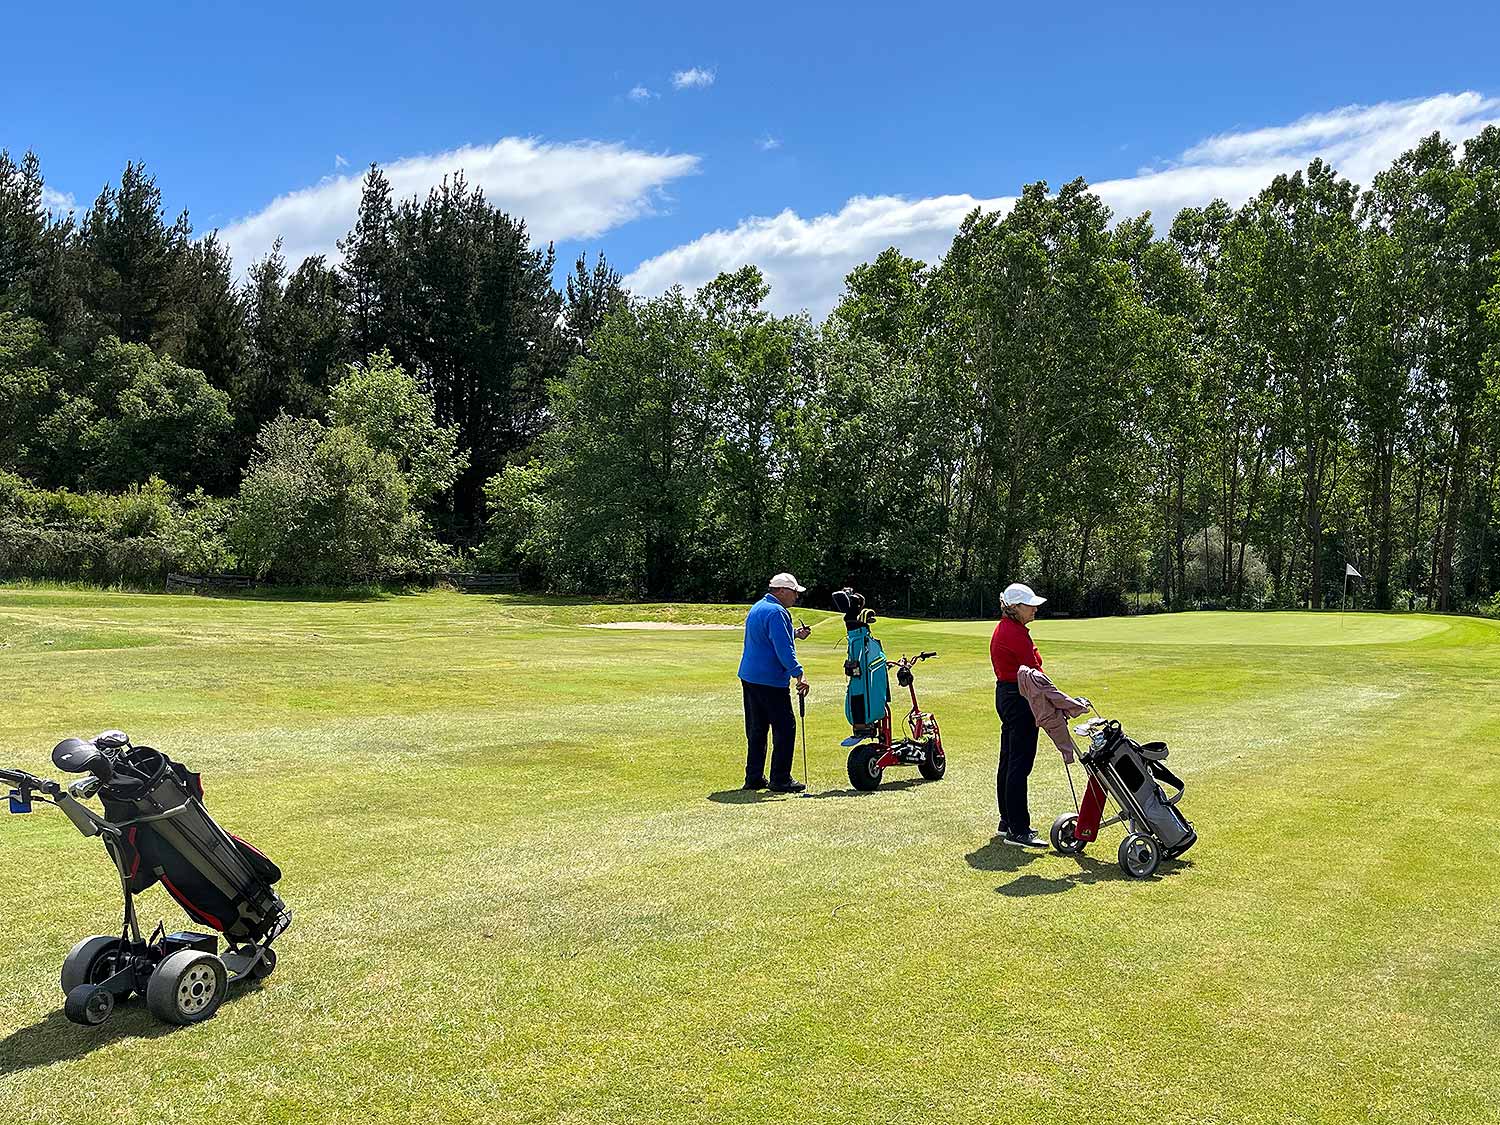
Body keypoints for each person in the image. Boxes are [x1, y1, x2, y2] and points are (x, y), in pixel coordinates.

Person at [737, 572, 812, 793]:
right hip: (770, 680)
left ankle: (754, 777)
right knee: (785, 728)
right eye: (794, 592)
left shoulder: (759, 607)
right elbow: (783, 649)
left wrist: (795, 633)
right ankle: (780, 779)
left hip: (750, 677)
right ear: (781, 591)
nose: (796, 596)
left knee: (757, 728)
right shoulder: (778, 612)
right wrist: (799, 674)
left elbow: (771, 636)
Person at [990, 582, 1048, 846]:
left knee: (1009, 759)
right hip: (1019, 697)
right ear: (1014, 608)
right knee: (1019, 764)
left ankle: (1008, 821)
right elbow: (1035, 668)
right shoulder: (1013, 633)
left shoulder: (1010, 628)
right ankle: (1018, 829)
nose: (1034, 609)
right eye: (1029, 605)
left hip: (1008, 694)